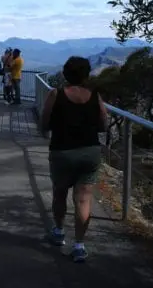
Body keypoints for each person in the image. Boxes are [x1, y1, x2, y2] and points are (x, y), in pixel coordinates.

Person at [40, 56, 107, 263]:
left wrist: (48, 132)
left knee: (60, 193)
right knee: (84, 199)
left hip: (62, 152)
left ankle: (59, 232)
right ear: (86, 75)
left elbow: (44, 122)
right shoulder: (95, 96)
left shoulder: (56, 94)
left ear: (65, 73)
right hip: (90, 152)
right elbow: (103, 124)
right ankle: (79, 246)